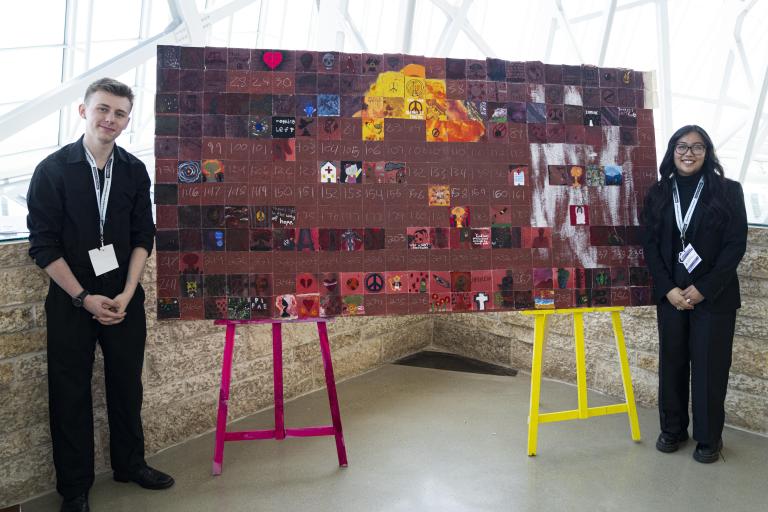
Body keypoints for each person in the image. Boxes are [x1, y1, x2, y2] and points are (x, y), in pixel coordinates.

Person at [27, 78, 173, 512]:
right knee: (69, 393)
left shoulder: (133, 170)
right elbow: (43, 246)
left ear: (128, 120)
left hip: (125, 297)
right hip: (73, 300)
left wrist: (128, 292)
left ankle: (130, 463)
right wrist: (83, 297)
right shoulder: (52, 170)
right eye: (103, 109)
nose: (110, 119)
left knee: (127, 385)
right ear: (83, 111)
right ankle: (75, 488)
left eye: (120, 113)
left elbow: (142, 235)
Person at [640, 125, 747, 464]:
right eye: (682, 146)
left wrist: (703, 289)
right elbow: (651, 246)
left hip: (714, 298)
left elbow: (735, 246)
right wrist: (668, 289)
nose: (689, 153)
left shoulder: (728, 191)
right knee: (672, 364)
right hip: (671, 296)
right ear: (672, 152)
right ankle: (672, 429)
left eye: (697, 147)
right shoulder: (658, 193)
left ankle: (708, 438)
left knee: (710, 368)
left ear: (707, 152)